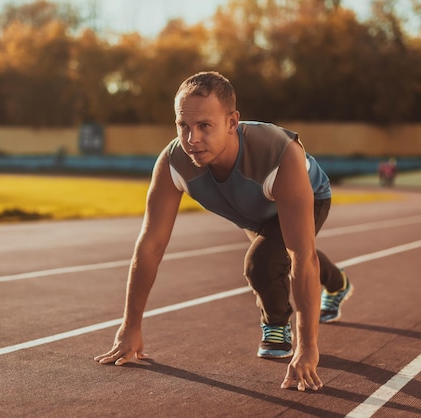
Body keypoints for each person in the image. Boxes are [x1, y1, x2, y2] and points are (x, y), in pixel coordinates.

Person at [94, 71, 352, 392]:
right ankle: (338, 282)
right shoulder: (174, 161)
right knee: (275, 250)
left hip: (309, 197)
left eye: (204, 126)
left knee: (265, 261)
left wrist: (308, 347)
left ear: (232, 123)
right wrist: (130, 325)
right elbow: (151, 245)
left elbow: (302, 254)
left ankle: (275, 325)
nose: (192, 139)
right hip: (251, 211)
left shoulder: (279, 152)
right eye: (183, 126)